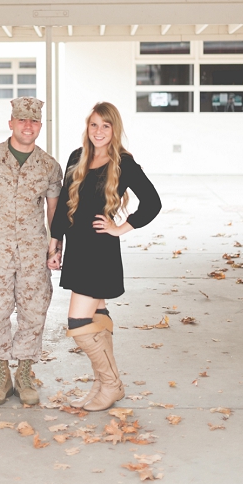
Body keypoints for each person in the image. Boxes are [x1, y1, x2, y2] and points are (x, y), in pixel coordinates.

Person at [49, 102, 161, 412]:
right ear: (88, 127)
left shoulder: (123, 163)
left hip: (99, 252)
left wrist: (120, 228)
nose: (99, 131)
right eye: (94, 125)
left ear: (114, 130)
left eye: (105, 126)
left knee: (78, 320)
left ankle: (111, 384)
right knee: (97, 315)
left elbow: (152, 202)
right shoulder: (77, 157)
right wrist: (55, 241)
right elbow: (63, 206)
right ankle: (103, 384)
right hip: (77, 249)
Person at [0, 97, 63, 406]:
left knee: (34, 312)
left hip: (34, 251)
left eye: (33, 121)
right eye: (22, 120)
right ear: (11, 123)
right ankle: (2, 374)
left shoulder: (48, 166)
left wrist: (55, 245)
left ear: (40, 127)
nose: (28, 126)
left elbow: (54, 209)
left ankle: (25, 373)